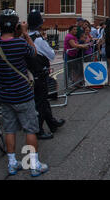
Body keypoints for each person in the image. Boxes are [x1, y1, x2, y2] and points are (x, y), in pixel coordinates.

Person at [0, 9, 48, 177]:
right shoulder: (20, 43)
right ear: (16, 26)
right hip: (23, 94)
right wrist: (25, 34)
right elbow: (34, 53)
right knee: (30, 129)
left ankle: (12, 163)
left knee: (10, 130)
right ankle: (35, 164)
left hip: (5, 95)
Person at [27, 10, 65, 140]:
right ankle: (38, 130)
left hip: (30, 75)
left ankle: (52, 122)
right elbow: (52, 55)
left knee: (43, 100)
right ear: (39, 25)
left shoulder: (25, 37)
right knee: (41, 103)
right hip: (39, 74)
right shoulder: (38, 40)